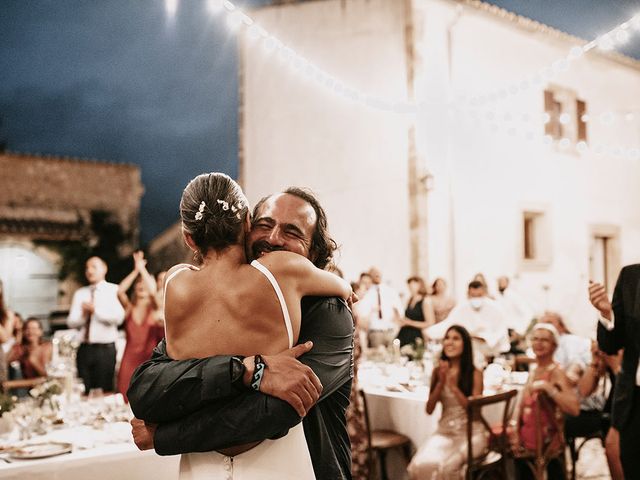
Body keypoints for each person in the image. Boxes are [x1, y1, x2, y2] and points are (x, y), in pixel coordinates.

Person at [127, 185, 355, 480]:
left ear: (314, 252)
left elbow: (274, 412)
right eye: (265, 225)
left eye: (292, 232)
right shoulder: (202, 304)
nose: (273, 238)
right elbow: (150, 388)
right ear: (247, 226)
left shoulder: (330, 313)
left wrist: (162, 436)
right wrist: (247, 370)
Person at [407, 325, 485, 479]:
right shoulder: (438, 371)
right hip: (444, 433)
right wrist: (441, 383)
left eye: (456, 339)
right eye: (447, 338)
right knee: (419, 465)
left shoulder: (475, 373)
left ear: (465, 344)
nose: (449, 342)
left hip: (471, 433)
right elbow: (429, 409)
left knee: (449, 468)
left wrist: (453, 387)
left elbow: (475, 413)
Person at [511, 323, 579, 480]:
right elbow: (523, 402)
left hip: (547, 443)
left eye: (544, 340)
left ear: (554, 345)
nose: (538, 343)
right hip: (528, 440)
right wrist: (514, 427)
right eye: (535, 339)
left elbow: (574, 408)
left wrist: (549, 388)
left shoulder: (556, 372)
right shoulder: (534, 369)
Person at [589, 268, 640, 478]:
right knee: (633, 466)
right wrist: (606, 314)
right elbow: (611, 345)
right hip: (635, 399)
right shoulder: (631, 277)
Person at [67, 256, 125, 393]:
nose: (89, 271)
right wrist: (84, 315)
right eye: (87, 268)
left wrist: (96, 311)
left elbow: (119, 318)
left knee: (104, 390)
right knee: (83, 389)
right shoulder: (80, 293)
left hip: (105, 349)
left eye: (94, 267)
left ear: (104, 269)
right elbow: (71, 322)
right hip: (84, 348)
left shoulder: (114, 290)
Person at [426, 280, 510, 367]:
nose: (476, 298)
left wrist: (484, 337)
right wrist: (430, 332)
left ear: (484, 293)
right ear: (468, 294)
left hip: (494, 355)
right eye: (473, 295)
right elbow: (449, 324)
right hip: (473, 356)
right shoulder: (462, 308)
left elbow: (500, 330)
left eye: (479, 295)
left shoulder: (495, 308)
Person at [116, 251, 164, 402]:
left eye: (143, 282)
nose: (141, 285)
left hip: (148, 360)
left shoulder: (155, 306)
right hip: (128, 360)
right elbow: (120, 290)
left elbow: (153, 290)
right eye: (138, 283)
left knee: (148, 399)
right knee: (125, 397)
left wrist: (143, 269)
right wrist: (136, 270)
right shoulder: (129, 308)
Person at [356, 266, 403, 348]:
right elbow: (362, 314)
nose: (376, 274)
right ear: (370, 275)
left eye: (378, 272)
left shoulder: (390, 291)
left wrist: (396, 326)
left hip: (390, 331)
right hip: (375, 333)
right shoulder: (367, 293)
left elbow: (399, 311)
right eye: (373, 273)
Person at [396, 276, 435, 347]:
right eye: (409, 285)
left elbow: (430, 323)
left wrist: (410, 323)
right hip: (404, 334)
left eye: (413, 284)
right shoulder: (410, 300)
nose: (410, 287)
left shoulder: (426, 300)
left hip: (417, 336)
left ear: (420, 285)